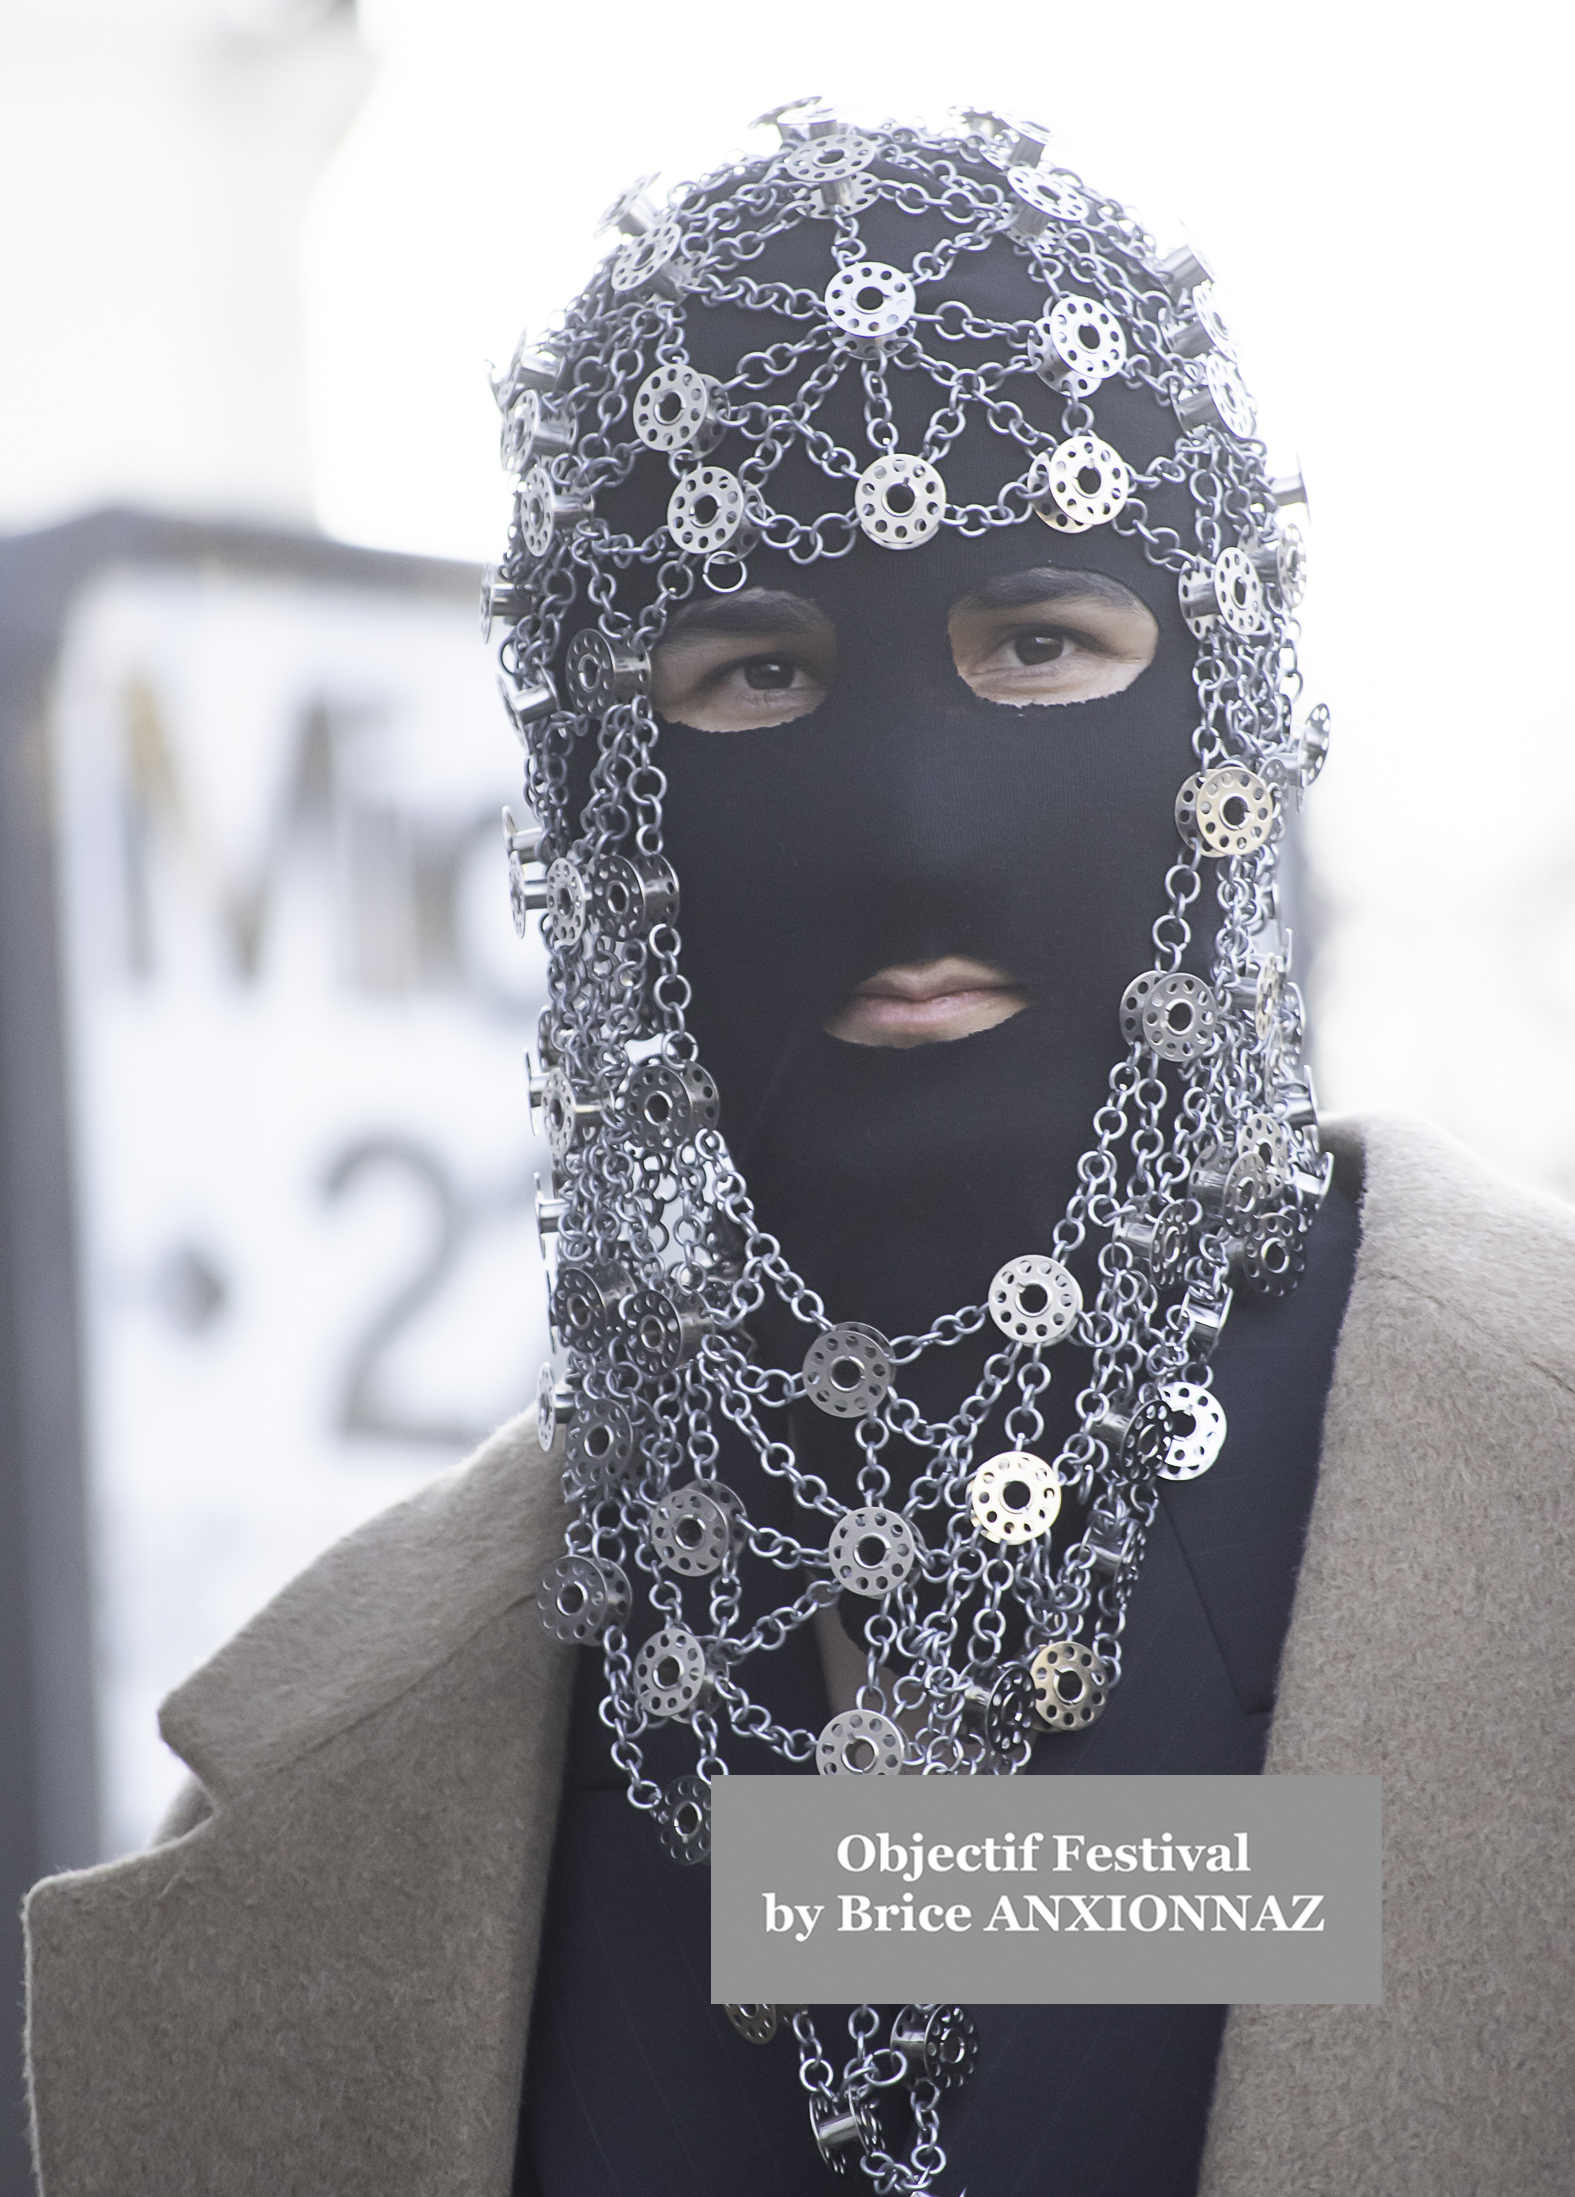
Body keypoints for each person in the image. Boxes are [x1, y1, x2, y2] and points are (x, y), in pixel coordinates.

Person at [23, 112, 1575, 2197]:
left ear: (1218, 709)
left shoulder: (1522, 1512)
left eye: (1040, 639)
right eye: (753, 672)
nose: (909, 841)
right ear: (595, 778)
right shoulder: (358, 1784)